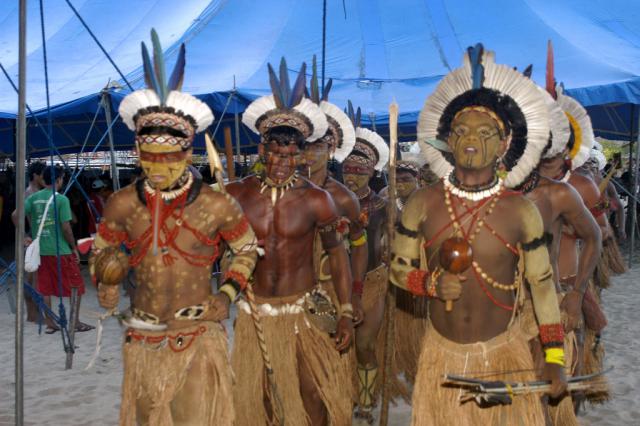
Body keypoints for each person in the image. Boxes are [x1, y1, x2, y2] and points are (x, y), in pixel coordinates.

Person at [391, 44, 567, 425]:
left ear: (505, 145)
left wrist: (554, 358)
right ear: (448, 141)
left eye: (486, 132)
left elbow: (542, 285)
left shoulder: (521, 211)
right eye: (461, 130)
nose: (472, 138)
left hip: (502, 356)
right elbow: (397, 270)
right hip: (441, 358)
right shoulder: (423, 202)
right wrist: (431, 284)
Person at [91, 32, 258, 425]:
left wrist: (226, 296)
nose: (159, 168)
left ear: (187, 152)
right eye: (150, 158)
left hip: (197, 331)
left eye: (169, 158)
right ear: (137, 152)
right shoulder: (122, 204)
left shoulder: (217, 204)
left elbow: (248, 250)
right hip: (143, 333)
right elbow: (102, 252)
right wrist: (108, 280)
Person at [228, 58, 354, 426]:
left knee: (311, 393)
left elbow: (337, 253)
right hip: (255, 313)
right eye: (275, 153)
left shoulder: (317, 199)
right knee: (262, 397)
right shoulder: (236, 195)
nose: (282, 162)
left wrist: (345, 310)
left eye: (290, 154)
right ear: (262, 150)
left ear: (300, 154)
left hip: (304, 310)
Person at [516, 73, 601, 425]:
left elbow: (596, 236)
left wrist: (577, 293)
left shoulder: (560, 193)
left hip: (550, 304)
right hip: (501, 315)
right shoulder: (481, 193)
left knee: (554, 403)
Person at [537, 83, 610, 406]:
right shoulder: (521, 185)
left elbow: (602, 233)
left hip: (568, 287)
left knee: (572, 379)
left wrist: (578, 293)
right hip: (531, 296)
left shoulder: (582, 186)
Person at [301, 57, 368, 326]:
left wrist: (354, 295)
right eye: (304, 145)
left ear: (331, 149)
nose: (309, 154)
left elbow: (359, 245)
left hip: (329, 292)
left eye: (317, 146)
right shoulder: (283, 191)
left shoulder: (342, 198)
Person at [340, 102, 391, 422]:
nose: (353, 177)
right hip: (336, 282)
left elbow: (392, 243)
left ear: (372, 172)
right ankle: (344, 391)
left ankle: (368, 400)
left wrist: (392, 243)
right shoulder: (332, 200)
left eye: (360, 172)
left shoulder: (383, 206)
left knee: (365, 343)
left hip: (372, 281)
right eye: (348, 170)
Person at [13, 165, 93, 333]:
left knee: (45, 288)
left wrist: (22, 236)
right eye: (62, 178)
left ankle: (50, 323)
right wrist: (74, 247)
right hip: (61, 251)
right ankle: (75, 322)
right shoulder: (62, 200)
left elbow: (15, 215)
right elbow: (66, 227)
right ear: (58, 180)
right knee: (76, 286)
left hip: (41, 252)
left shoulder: (34, 198)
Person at [24, 161, 46, 322]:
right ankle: (33, 313)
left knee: (34, 277)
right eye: (42, 174)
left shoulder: (37, 192)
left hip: (36, 236)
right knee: (34, 278)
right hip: (34, 237)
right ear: (35, 176)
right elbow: (30, 219)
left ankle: (34, 313)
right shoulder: (30, 193)